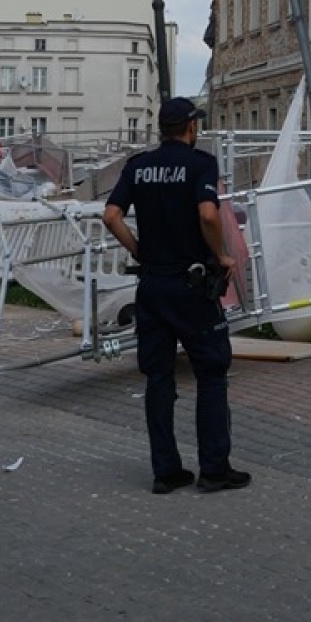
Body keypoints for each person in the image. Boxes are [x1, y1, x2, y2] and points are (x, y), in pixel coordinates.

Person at [103, 97, 248, 495]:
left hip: (152, 284)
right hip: (192, 285)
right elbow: (207, 214)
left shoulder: (138, 166)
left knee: (159, 377)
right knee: (212, 373)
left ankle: (166, 471)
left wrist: (138, 250)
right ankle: (214, 468)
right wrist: (220, 254)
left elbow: (110, 216)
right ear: (190, 127)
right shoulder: (201, 164)